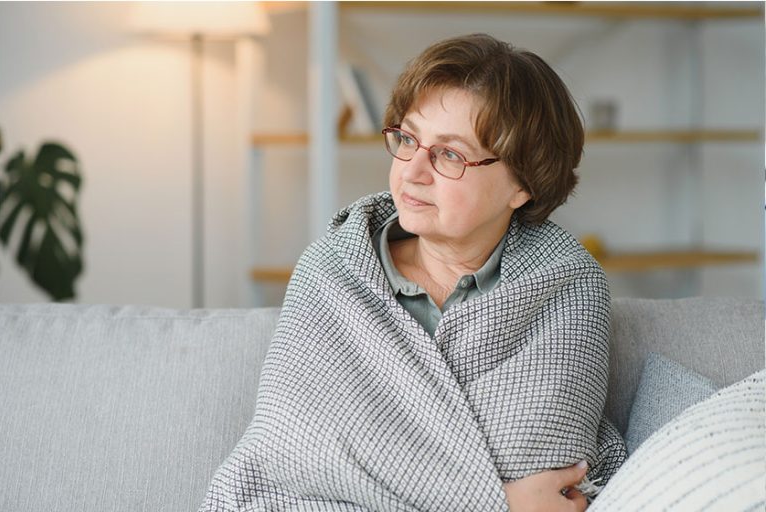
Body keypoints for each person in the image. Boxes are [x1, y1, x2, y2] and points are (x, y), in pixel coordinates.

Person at [200, 34, 625, 512]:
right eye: (407, 139)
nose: (412, 171)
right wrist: (497, 503)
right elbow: (296, 454)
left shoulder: (567, 285)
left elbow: (548, 461)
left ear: (523, 185)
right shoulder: (330, 272)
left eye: (450, 154)